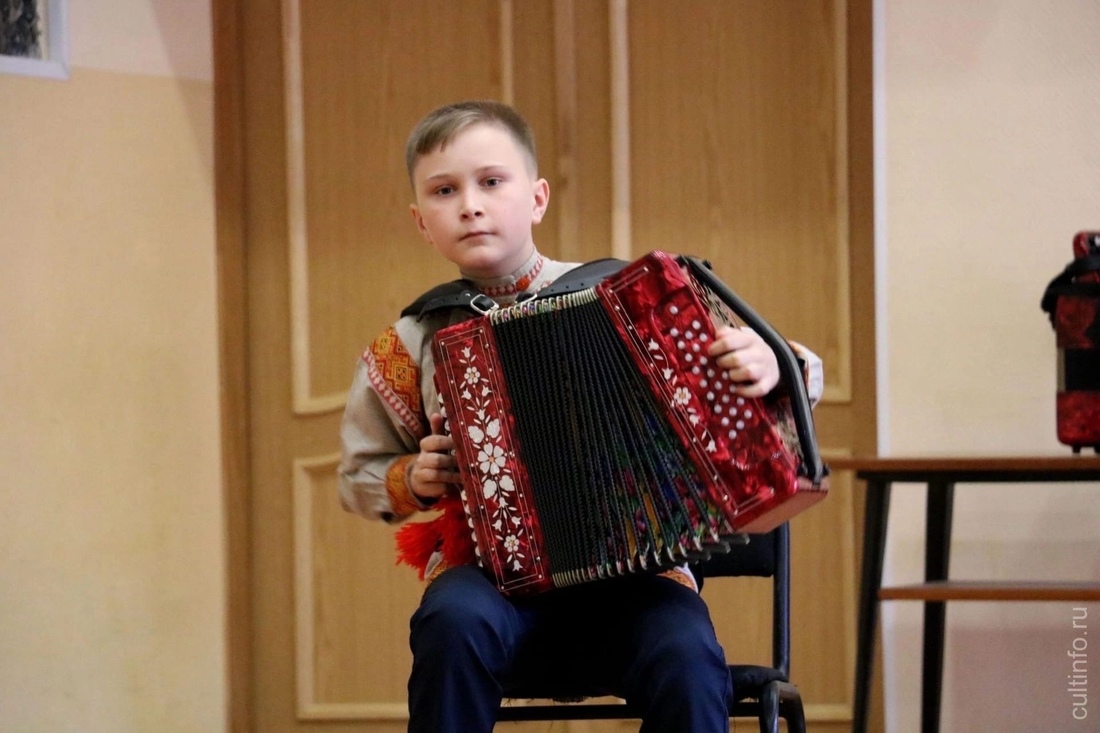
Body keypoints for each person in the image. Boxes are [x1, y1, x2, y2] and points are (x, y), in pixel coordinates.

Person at [338, 99, 824, 733]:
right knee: (449, 620)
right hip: (493, 585)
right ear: (421, 222)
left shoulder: (637, 297)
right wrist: (414, 478)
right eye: (443, 190)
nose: (470, 204)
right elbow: (357, 475)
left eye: (491, 181)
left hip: (640, 581)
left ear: (537, 198)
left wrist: (769, 361)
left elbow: (791, 377)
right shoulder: (412, 341)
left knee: (685, 653)